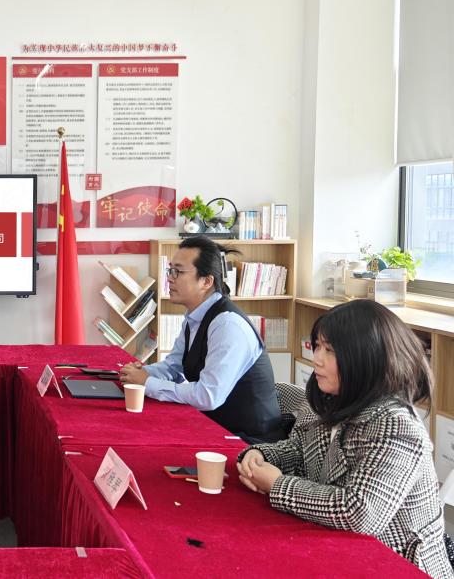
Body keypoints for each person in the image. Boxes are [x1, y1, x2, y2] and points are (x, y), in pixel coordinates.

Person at [237, 300, 452, 577]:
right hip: (338, 550)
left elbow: (359, 512)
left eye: (330, 350)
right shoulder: (329, 401)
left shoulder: (396, 425)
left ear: (366, 357)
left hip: (396, 565)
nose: (316, 358)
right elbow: (298, 451)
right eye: (317, 346)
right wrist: (259, 456)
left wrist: (277, 485)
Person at [120, 236, 283, 442]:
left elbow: (208, 396)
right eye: (170, 270)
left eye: (178, 272)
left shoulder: (227, 326)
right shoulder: (195, 317)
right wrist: (140, 374)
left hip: (248, 442)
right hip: (213, 426)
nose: (169, 279)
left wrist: (147, 383)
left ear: (206, 281)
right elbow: (173, 367)